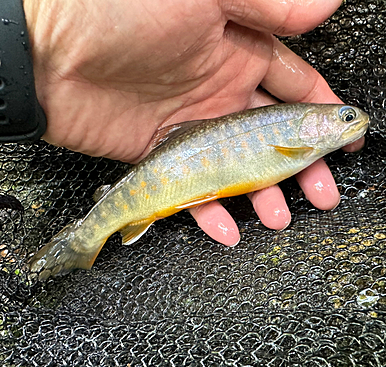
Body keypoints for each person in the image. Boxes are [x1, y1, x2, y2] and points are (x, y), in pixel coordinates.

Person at [23, 0, 365, 246]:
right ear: (312, 122)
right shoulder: (298, 143)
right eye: (346, 117)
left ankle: (90, 235)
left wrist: (38, 41)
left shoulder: (301, 141)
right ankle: (87, 238)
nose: (353, 120)